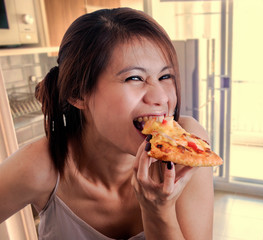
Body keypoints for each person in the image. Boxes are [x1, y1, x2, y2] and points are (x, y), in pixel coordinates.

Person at [0, 7, 215, 240]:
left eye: (165, 77)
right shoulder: (42, 164)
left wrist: (158, 210)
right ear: (78, 94)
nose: (161, 98)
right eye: (135, 78)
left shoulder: (188, 145)